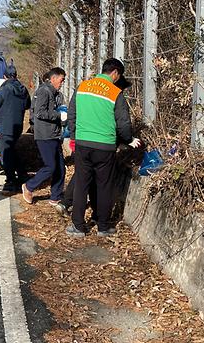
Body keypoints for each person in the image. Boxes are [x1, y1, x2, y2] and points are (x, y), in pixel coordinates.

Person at [66, 58, 141, 237]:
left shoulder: (82, 87)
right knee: (104, 186)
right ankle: (103, 226)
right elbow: (123, 123)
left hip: (83, 143)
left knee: (82, 185)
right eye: (119, 75)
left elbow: (72, 114)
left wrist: (75, 137)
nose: (118, 79)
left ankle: (78, 226)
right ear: (115, 72)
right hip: (105, 146)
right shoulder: (115, 92)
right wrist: (128, 139)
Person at [22, 67, 67, 212]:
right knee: (50, 166)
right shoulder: (44, 91)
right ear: (53, 78)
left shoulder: (56, 94)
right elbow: (40, 112)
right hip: (44, 135)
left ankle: (55, 196)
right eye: (61, 80)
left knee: (60, 168)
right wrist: (58, 115)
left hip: (54, 134)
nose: (62, 83)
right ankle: (29, 186)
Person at [0, 60, 31, 194]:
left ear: (5, 76)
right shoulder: (23, 89)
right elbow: (27, 105)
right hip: (18, 125)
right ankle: (23, 175)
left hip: (6, 125)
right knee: (12, 150)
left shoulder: (4, 89)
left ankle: (10, 182)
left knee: (6, 154)